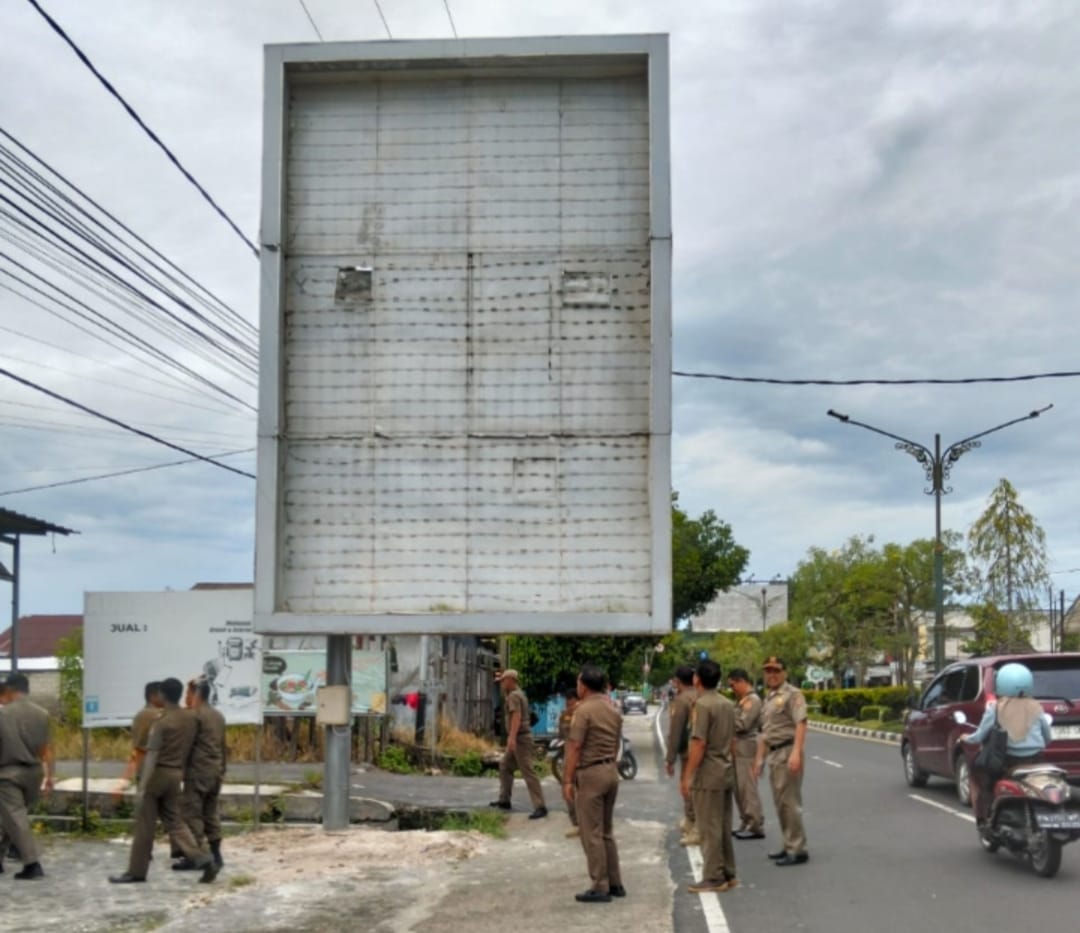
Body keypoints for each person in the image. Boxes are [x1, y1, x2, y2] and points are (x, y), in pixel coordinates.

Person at [109, 677, 219, 884]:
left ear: (162, 695)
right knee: (175, 822)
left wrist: (142, 785)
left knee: (145, 826)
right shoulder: (190, 719)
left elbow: (151, 754)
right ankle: (203, 858)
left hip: (157, 774)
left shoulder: (161, 721)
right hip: (176, 774)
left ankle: (136, 871)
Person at [562, 663, 625, 903]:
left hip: (590, 774)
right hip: (610, 770)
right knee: (607, 831)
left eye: (578, 682)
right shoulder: (612, 709)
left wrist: (567, 779)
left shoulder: (583, 710)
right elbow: (617, 743)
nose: (577, 687)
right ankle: (615, 882)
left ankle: (600, 885)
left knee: (591, 832)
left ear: (584, 686)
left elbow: (575, 745)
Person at [960, 662, 1050, 825]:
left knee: (977, 775)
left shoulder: (995, 708)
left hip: (1007, 761)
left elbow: (979, 736)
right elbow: (1047, 737)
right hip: (1036, 759)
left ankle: (984, 817)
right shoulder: (1037, 708)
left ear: (1000, 684)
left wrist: (965, 738)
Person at [681, 659, 737, 894]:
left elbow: (699, 742)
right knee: (723, 824)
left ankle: (713, 876)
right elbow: (732, 740)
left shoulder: (702, 705)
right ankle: (727, 872)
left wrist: (688, 775)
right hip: (725, 769)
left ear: (697, 680)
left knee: (708, 827)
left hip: (708, 773)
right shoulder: (727, 703)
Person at [752, 656, 809, 866]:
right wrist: (759, 761)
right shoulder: (768, 699)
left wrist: (796, 753)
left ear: (784, 672)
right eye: (768, 671)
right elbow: (766, 734)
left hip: (787, 751)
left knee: (790, 803)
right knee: (780, 803)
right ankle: (788, 844)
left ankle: (797, 848)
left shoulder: (792, 694)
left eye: (776, 670)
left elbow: (801, 724)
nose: (772, 675)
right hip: (774, 754)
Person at [0, 672, 54, 879]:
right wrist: (50, 776)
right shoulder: (42, 713)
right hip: (35, 773)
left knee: (14, 817)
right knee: (12, 817)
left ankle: (32, 864)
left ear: (10, 689)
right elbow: (47, 748)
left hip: (8, 773)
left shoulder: (3, 714)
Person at [173, 678, 227, 871]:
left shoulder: (194, 716)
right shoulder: (218, 715)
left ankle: (197, 857)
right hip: (215, 771)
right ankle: (217, 855)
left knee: (192, 814)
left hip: (197, 772)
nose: (186, 697)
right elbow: (223, 746)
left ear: (196, 694)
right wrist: (223, 770)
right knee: (211, 813)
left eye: (188, 693)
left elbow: (186, 747)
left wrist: (178, 770)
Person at [489, 670, 547, 818]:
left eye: (503, 681)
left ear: (511, 680)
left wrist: (512, 738)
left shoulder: (514, 696)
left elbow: (516, 717)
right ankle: (504, 800)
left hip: (520, 738)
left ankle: (540, 806)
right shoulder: (519, 694)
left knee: (527, 771)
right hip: (520, 736)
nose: (502, 684)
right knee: (505, 766)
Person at [728, 668, 765, 839]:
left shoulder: (752, 700)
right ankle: (745, 820)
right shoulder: (741, 700)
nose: (732, 688)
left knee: (747, 788)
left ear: (742, 681)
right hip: (737, 747)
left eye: (733, 684)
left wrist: (726, 719)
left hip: (746, 747)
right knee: (738, 788)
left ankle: (755, 824)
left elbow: (743, 724)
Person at [664, 666, 698, 845]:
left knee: (688, 787)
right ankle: (691, 822)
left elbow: (676, 731)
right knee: (696, 788)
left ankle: (694, 826)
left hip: (688, 750)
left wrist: (670, 759)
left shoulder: (681, 700)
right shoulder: (701, 696)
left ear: (677, 682)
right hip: (702, 750)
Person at [116, 681, 163, 792]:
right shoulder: (152, 714)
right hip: (151, 771)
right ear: (153, 696)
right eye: (162, 694)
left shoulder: (142, 714)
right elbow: (141, 745)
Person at [558, 689, 581, 838]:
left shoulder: (584, 713)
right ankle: (576, 823)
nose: (569, 705)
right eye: (567, 702)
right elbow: (561, 734)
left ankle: (586, 824)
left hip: (582, 759)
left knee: (584, 793)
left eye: (571, 701)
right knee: (568, 792)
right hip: (568, 756)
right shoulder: (564, 715)